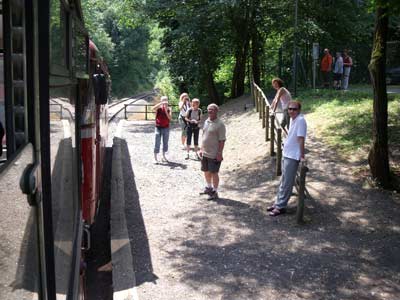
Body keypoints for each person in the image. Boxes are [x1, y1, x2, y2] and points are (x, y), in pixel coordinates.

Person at [267, 100, 307, 216]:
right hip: (287, 153)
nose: (291, 111)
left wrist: (302, 155)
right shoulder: (293, 119)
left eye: (294, 109)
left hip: (293, 156)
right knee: (283, 181)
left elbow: (301, 139)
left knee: (287, 182)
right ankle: (278, 202)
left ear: (299, 110)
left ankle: (281, 206)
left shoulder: (300, 121)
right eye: (290, 109)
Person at [199, 104, 226, 200]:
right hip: (205, 152)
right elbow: (203, 135)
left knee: (214, 172)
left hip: (214, 154)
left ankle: (215, 191)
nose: (210, 112)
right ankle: (209, 187)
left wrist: (219, 153)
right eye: (208, 110)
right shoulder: (206, 121)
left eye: (212, 110)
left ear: (216, 111)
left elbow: (222, 140)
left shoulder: (220, 124)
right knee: (206, 171)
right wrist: (201, 149)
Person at [152, 96, 172, 164]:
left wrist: (166, 111)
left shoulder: (169, 108)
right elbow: (152, 109)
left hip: (166, 127)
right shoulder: (158, 108)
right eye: (163, 100)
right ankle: (155, 158)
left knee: (165, 142)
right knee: (157, 142)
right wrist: (160, 104)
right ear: (161, 101)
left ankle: (164, 156)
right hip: (158, 127)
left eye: (166, 100)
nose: (165, 102)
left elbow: (170, 118)